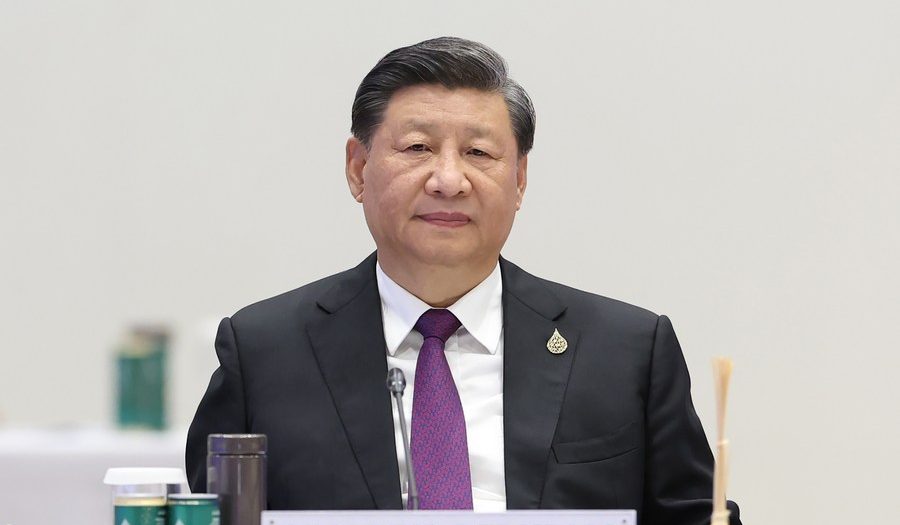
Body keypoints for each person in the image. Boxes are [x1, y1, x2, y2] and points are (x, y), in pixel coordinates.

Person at [186, 36, 741, 524]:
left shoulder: (626, 352)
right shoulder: (264, 353)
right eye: (418, 148)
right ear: (358, 169)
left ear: (519, 179)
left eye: (478, 153)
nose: (449, 180)